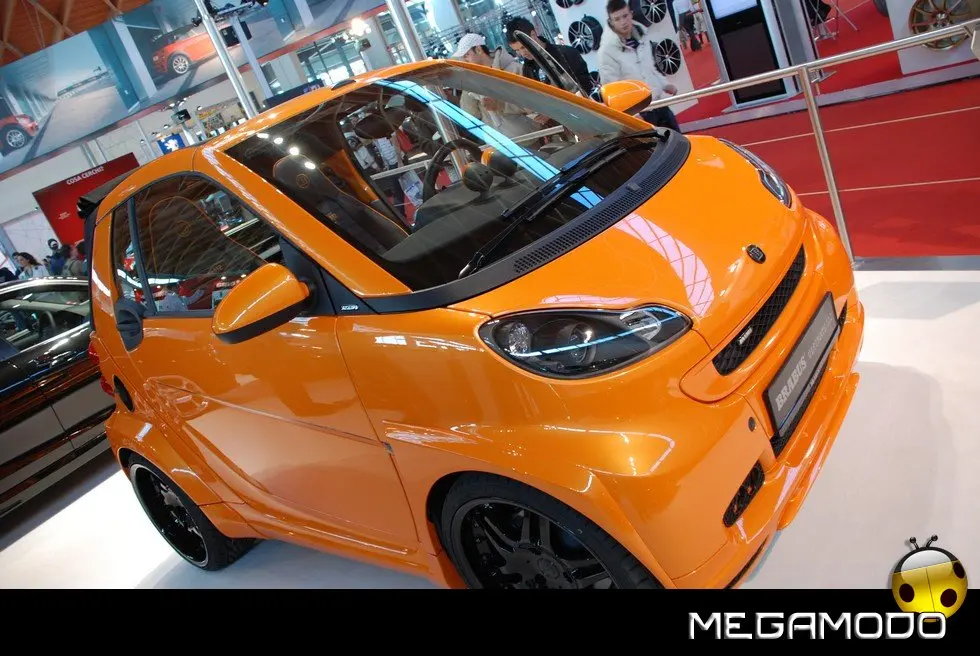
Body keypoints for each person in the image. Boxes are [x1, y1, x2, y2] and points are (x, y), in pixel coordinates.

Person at [598, 0, 682, 133]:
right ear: (611, 22)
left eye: (625, 16)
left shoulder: (641, 37)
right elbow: (612, 91)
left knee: (679, 140)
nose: (623, 22)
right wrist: (632, 115)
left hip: (659, 104)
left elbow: (650, 69)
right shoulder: (607, 52)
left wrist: (665, 85)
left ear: (631, 14)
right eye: (617, 19)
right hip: (640, 114)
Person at [451, 32, 540, 138]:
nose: (465, 60)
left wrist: (499, 105)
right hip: (498, 143)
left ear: (478, 50)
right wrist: (467, 82)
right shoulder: (472, 79)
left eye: (467, 55)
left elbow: (532, 104)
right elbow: (470, 114)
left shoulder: (514, 69)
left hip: (528, 137)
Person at [504, 17, 596, 97]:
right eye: (517, 50)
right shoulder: (527, 69)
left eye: (523, 47)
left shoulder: (567, 53)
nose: (522, 53)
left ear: (533, 35)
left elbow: (585, 85)